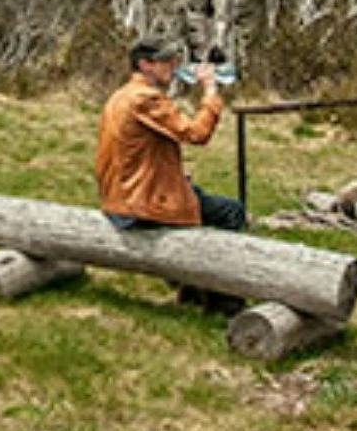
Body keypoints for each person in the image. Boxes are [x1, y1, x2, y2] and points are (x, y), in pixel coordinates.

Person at [96, 38, 246, 309]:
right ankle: (223, 299)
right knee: (231, 212)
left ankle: (193, 289)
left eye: (175, 60)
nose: (174, 66)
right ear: (145, 65)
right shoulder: (145, 98)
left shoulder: (121, 95)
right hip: (140, 204)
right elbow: (196, 133)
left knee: (199, 197)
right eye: (166, 61)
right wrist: (210, 90)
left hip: (122, 195)